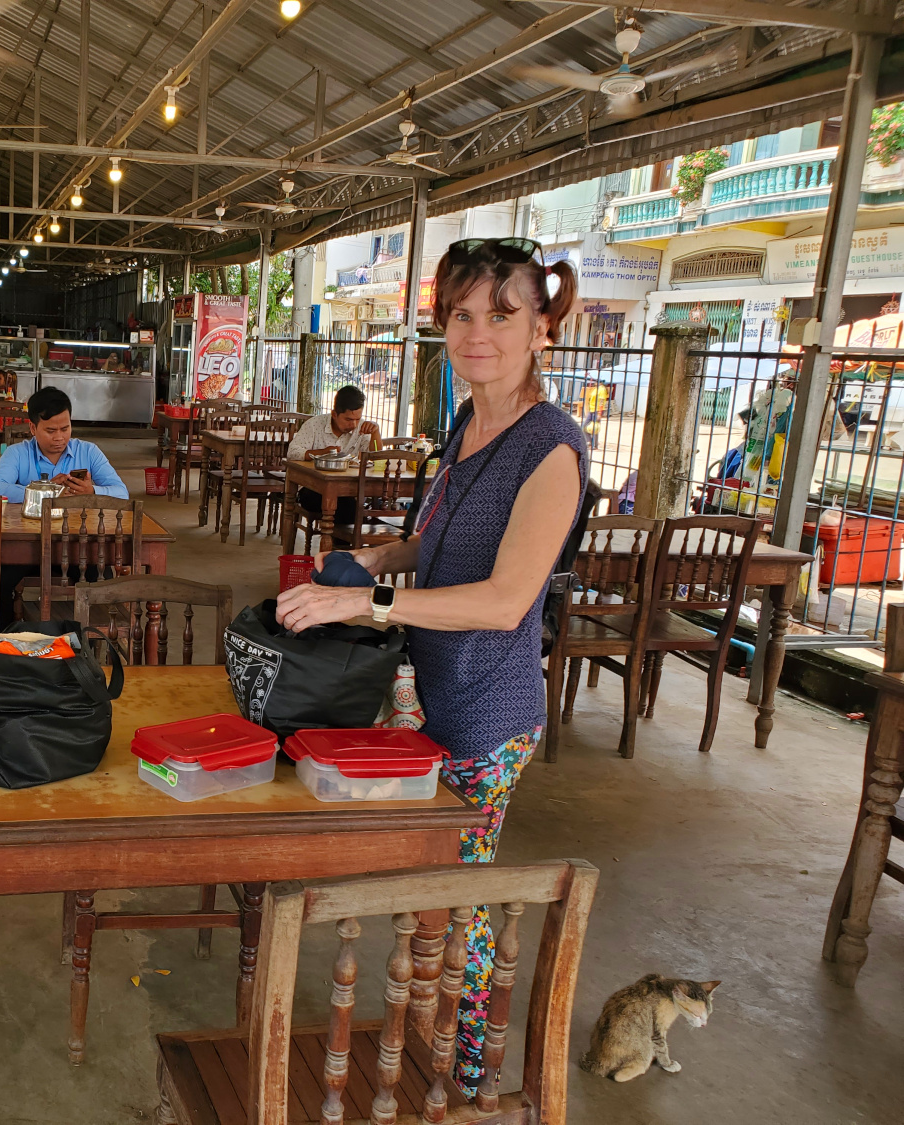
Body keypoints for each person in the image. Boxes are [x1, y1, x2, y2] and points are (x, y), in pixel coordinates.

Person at [275, 236, 585, 1096]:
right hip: (429, 695)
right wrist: (377, 560)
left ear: (541, 328)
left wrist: (366, 605)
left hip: (489, 711)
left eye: (501, 314)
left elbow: (503, 601)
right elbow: (440, 542)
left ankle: (471, 1071)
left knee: (461, 890)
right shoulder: (466, 426)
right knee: (426, 876)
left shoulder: (551, 448)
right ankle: (427, 1030)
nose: (477, 332)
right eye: (461, 314)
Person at [0, 385, 130, 625]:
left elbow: (122, 493)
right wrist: (44, 492)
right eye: (51, 430)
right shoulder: (17, 454)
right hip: (26, 547)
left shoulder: (88, 452)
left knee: (100, 578)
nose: (60, 437)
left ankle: (85, 645)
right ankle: (6, 643)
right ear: (32, 428)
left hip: (76, 547)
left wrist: (92, 491)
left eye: (65, 428)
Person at [287, 385, 382, 530]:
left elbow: (377, 459)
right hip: (312, 490)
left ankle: (344, 546)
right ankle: (344, 546)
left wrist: (375, 432)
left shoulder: (362, 429)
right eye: (348, 419)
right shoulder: (314, 425)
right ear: (334, 414)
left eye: (358, 419)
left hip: (349, 490)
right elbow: (292, 452)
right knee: (345, 505)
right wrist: (323, 452)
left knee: (354, 505)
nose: (354, 424)